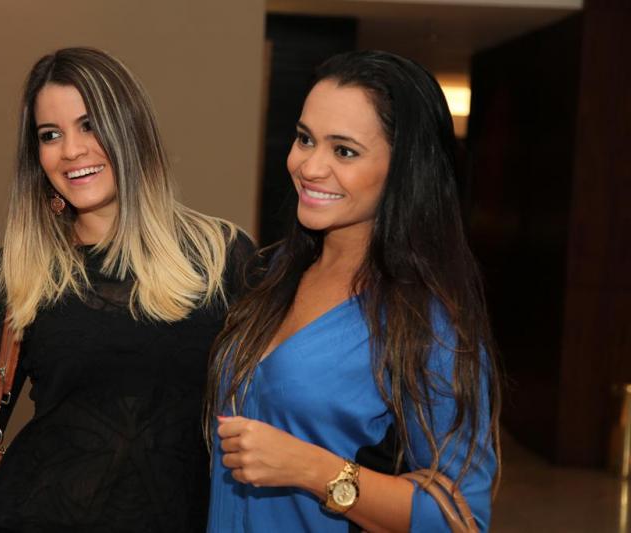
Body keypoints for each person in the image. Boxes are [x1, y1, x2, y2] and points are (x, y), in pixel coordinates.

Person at [0, 47, 254, 532]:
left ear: (131, 129)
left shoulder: (221, 255)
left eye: (89, 125)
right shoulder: (20, 270)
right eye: (50, 135)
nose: (71, 150)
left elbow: (268, 412)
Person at [206, 50, 501, 532]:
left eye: (344, 151)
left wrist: (314, 470)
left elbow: (461, 519)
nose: (310, 167)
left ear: (403, 169)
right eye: (305, 139)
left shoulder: (429, 324)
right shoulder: (270, 274)